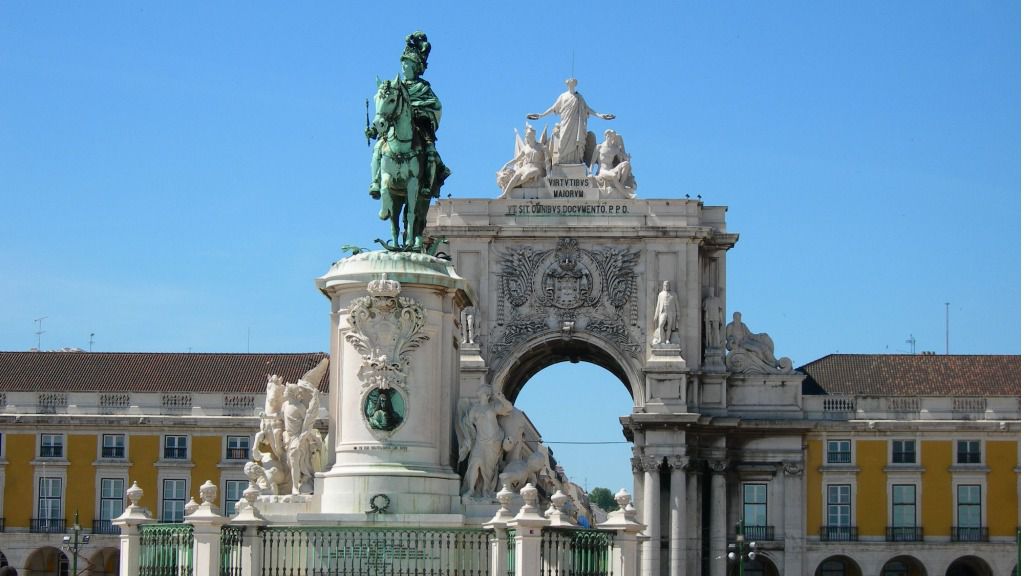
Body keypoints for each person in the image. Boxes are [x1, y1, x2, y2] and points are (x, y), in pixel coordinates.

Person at [368, 31, 450, 199]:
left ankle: (427, 184)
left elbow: (436, 106)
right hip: (394, 128)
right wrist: (374, 129)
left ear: (416, 67)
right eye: (403, 64)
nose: (404, 68)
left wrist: (418, 109)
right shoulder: (395, 88)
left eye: (408, 65)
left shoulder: (423, 88)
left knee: (431, 152)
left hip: (420, 125)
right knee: (378, 148)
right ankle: (375, 181)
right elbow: (385, 109)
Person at [528, 78, 614, 165]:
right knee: (562, 142)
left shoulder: (579, 97)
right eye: (570, 83)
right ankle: (562, 162)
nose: (571, 85)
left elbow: (587, 109)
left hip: (576, 125)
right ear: (567, 84)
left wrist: (600, 115)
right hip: (565, 122)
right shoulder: (563, 96)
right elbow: (553, 108)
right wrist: (541, 115)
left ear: (575, 84)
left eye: (573, 83)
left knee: (576, 143)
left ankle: (575, 162)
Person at [457, 384, 514, 498]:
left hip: (494, 442)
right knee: (475, 463)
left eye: (485, 393)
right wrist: (467, 438)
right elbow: (466, 424)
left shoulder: (493, 406)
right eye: (483, 392)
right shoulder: (474, 409)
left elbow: (509, 408)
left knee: (488, 470)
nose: (483, 394)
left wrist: (501, 399)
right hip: (479, 442)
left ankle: (485, 490)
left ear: (487, 395)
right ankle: (471, 490)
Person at [497, 125, 548, 198]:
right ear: (526, 137)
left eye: (531, 135)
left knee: (528, 174)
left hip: (537, 168)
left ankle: (513, 186)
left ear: (534, 135)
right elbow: (517, 159)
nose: (529, 136)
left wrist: (547, 150)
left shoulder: (540, 146)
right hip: (526, 167)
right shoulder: (525, 148)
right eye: (528, 135)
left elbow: (548, 157)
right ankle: (505, 194)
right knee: (516, 175)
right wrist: (507, 164)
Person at [592, 129, 635, 198]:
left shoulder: (615, 148)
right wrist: (590, 172)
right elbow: (592, 162)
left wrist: (627, 159)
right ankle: (626, 194)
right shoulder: (599, 147)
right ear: (605, 136)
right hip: (603, 171)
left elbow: (622, 158)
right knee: (614, 175)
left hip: (612, 169)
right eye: (608, 135)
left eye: (611, 136)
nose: (609, 137)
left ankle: (621, 185)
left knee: (626, 164)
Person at [652, 281, 678, 345]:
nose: (666, 286)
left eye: (667, 285)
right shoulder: (660, 294)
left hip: (671, 312)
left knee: (669, 326)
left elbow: (677, 304)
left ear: (669, 286)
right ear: (663, 286)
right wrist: (656, 315)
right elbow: (658, 305)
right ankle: (661, 339)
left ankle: (667, 340)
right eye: (665, 285)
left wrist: (678, 313)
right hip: (663, 312)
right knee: (660, 325)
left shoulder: (673, 294)